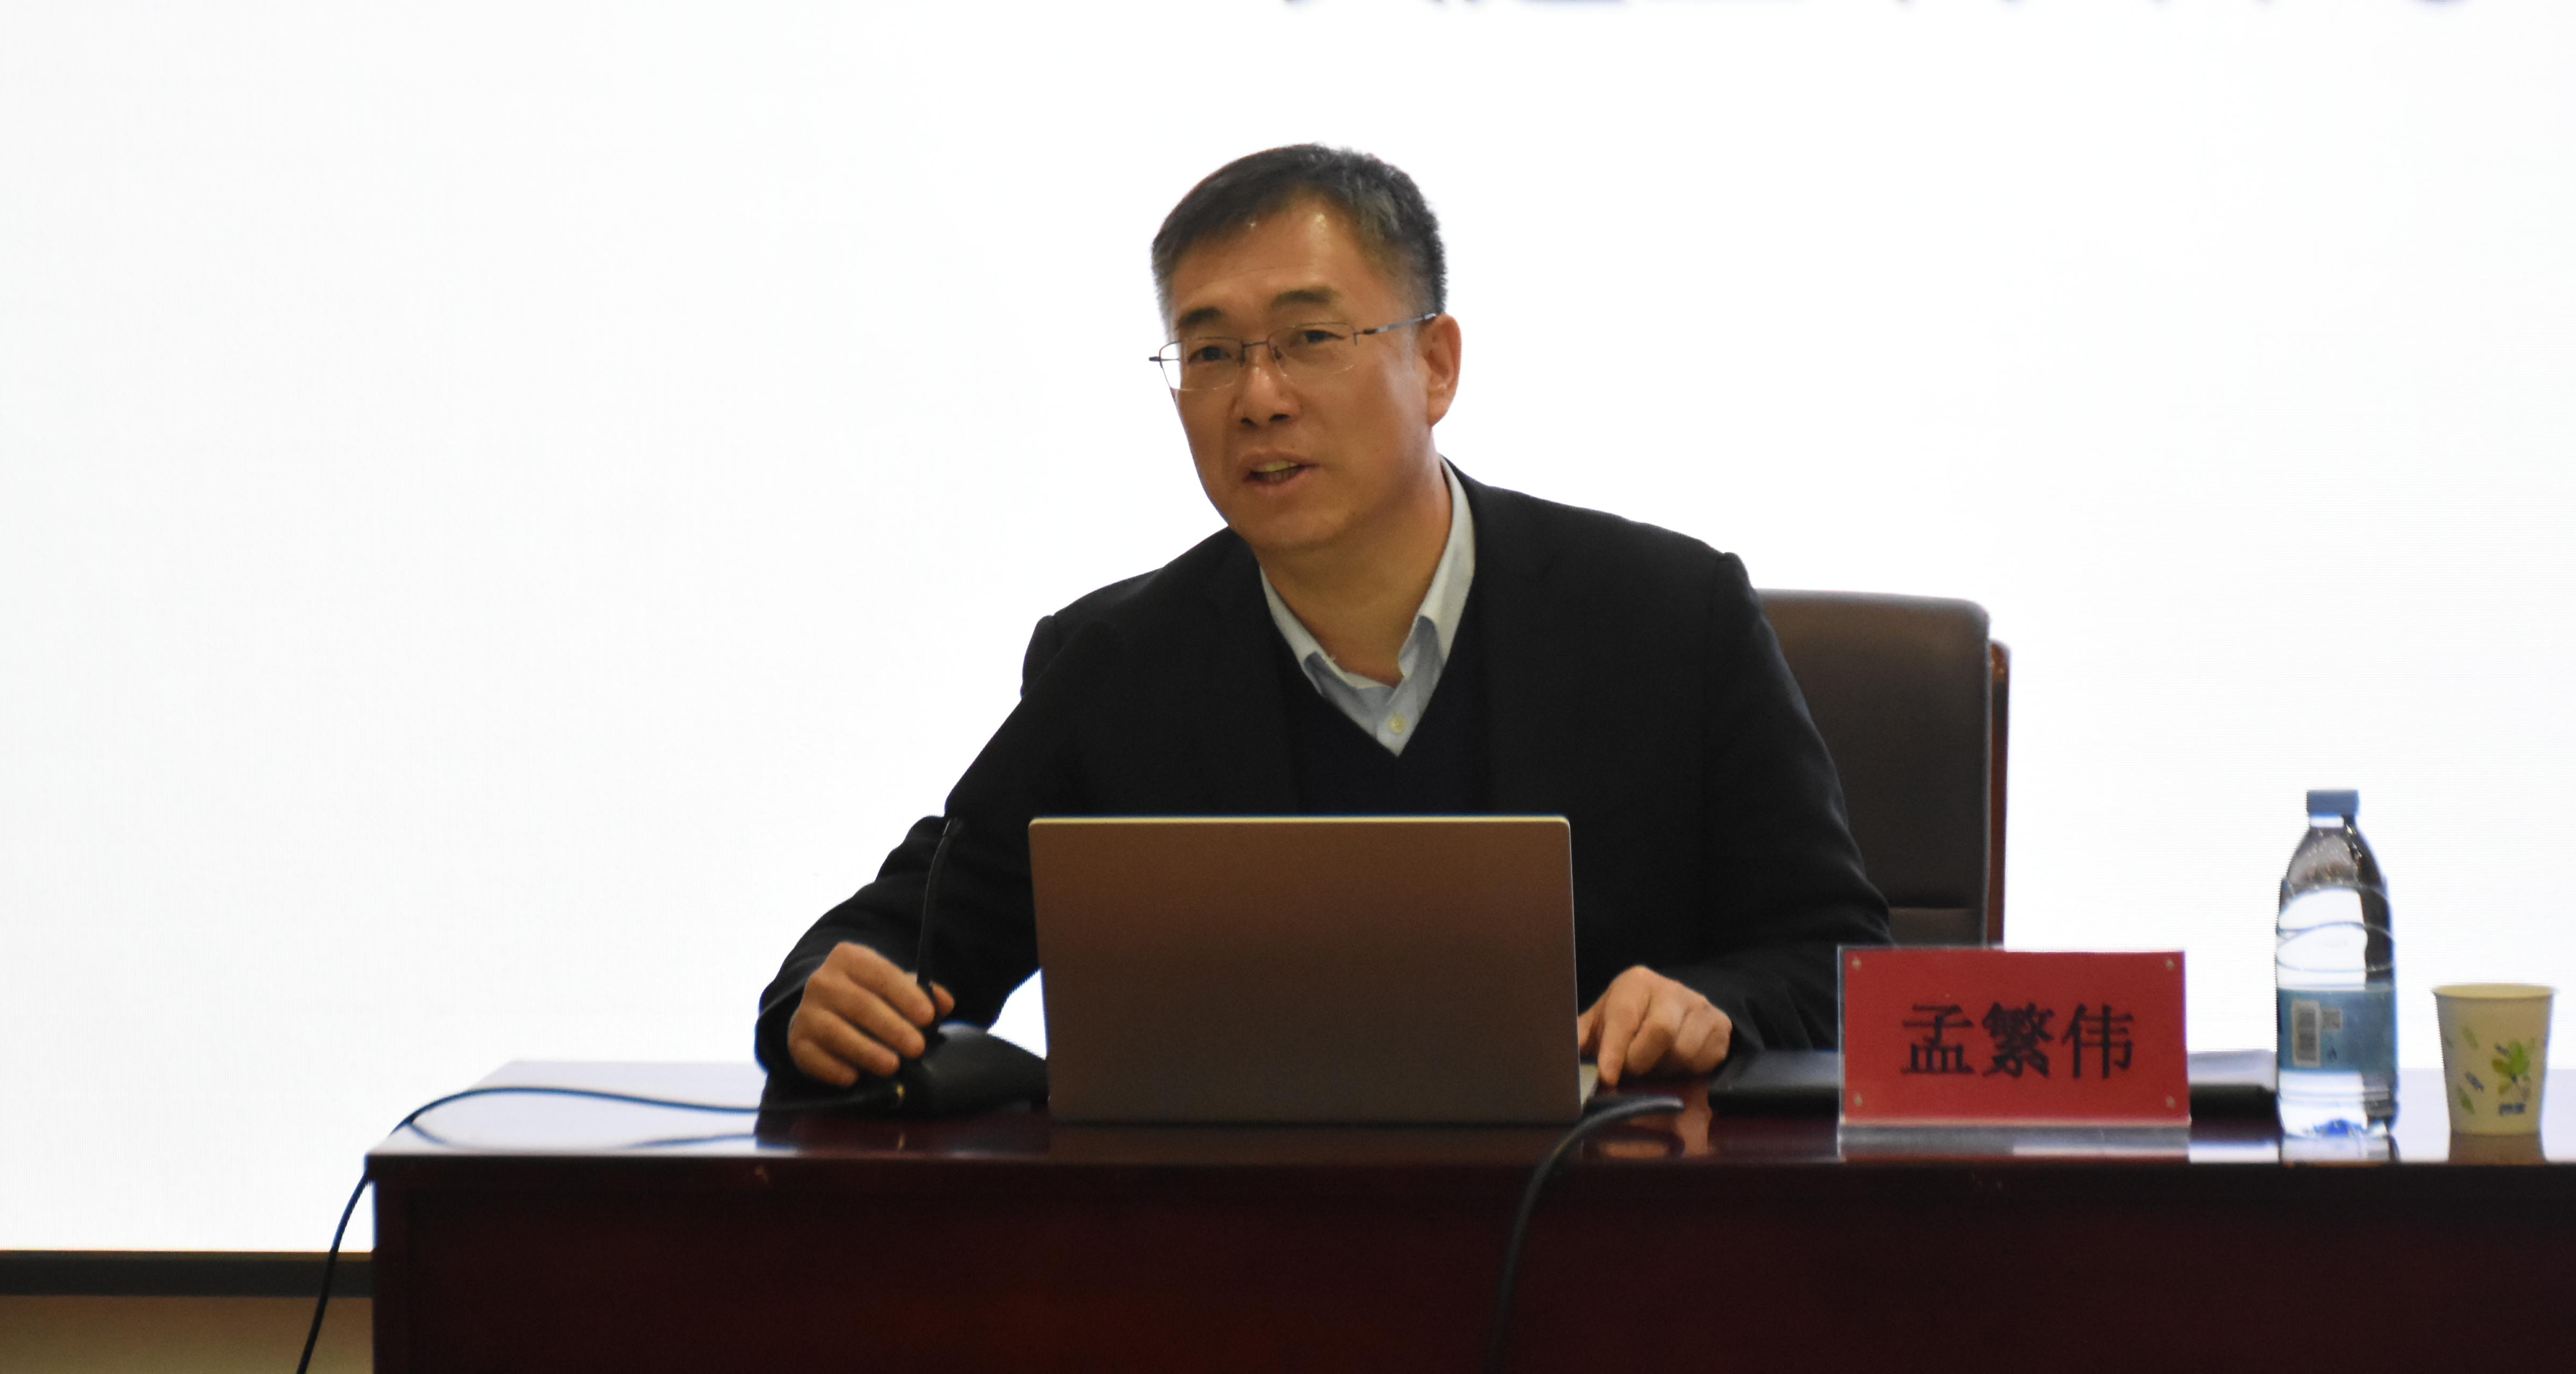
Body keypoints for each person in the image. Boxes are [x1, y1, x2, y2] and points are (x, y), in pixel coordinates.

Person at [758, 145, 1886, 1095]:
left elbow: (1843, 965)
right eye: (1211, 353)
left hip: (1609, 1232)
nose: (1259, 397)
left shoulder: (1668, 616)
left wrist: (1711, 1005)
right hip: (1243, 1251)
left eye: (1310, 338)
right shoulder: (1115, 665)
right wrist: (826, 993)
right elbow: (910, 934)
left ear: (1435, 364)